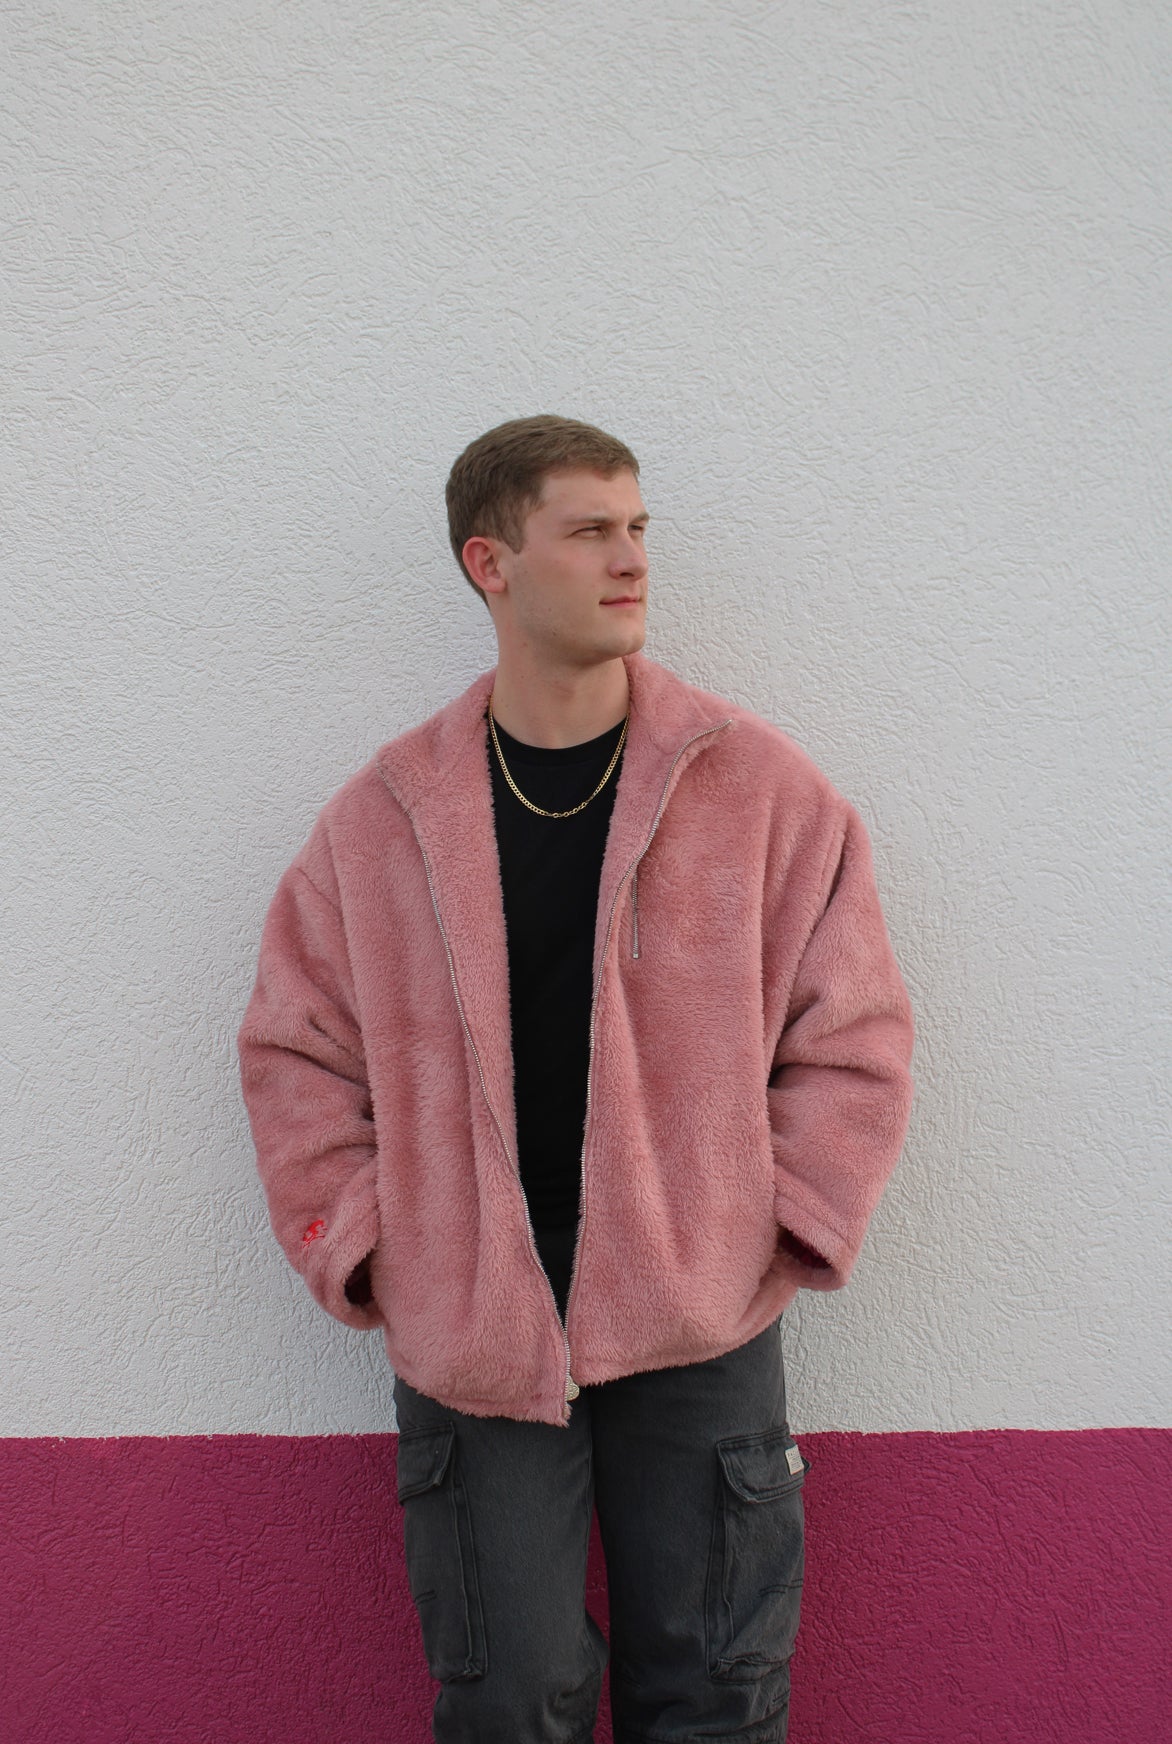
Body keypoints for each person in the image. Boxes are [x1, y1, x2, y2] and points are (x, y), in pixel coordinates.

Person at [236, 414, 915, 1743]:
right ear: (490, 562)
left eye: (639, 527)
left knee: (715, 1694)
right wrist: (373, 1245)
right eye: (591, 530)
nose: (632, 558)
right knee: (508, 1696)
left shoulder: (759, 792)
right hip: (475, 1314)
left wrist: (779, 1224)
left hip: (698, 1311)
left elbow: (856, 1032)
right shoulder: (386, 817)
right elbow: (294, 1051)